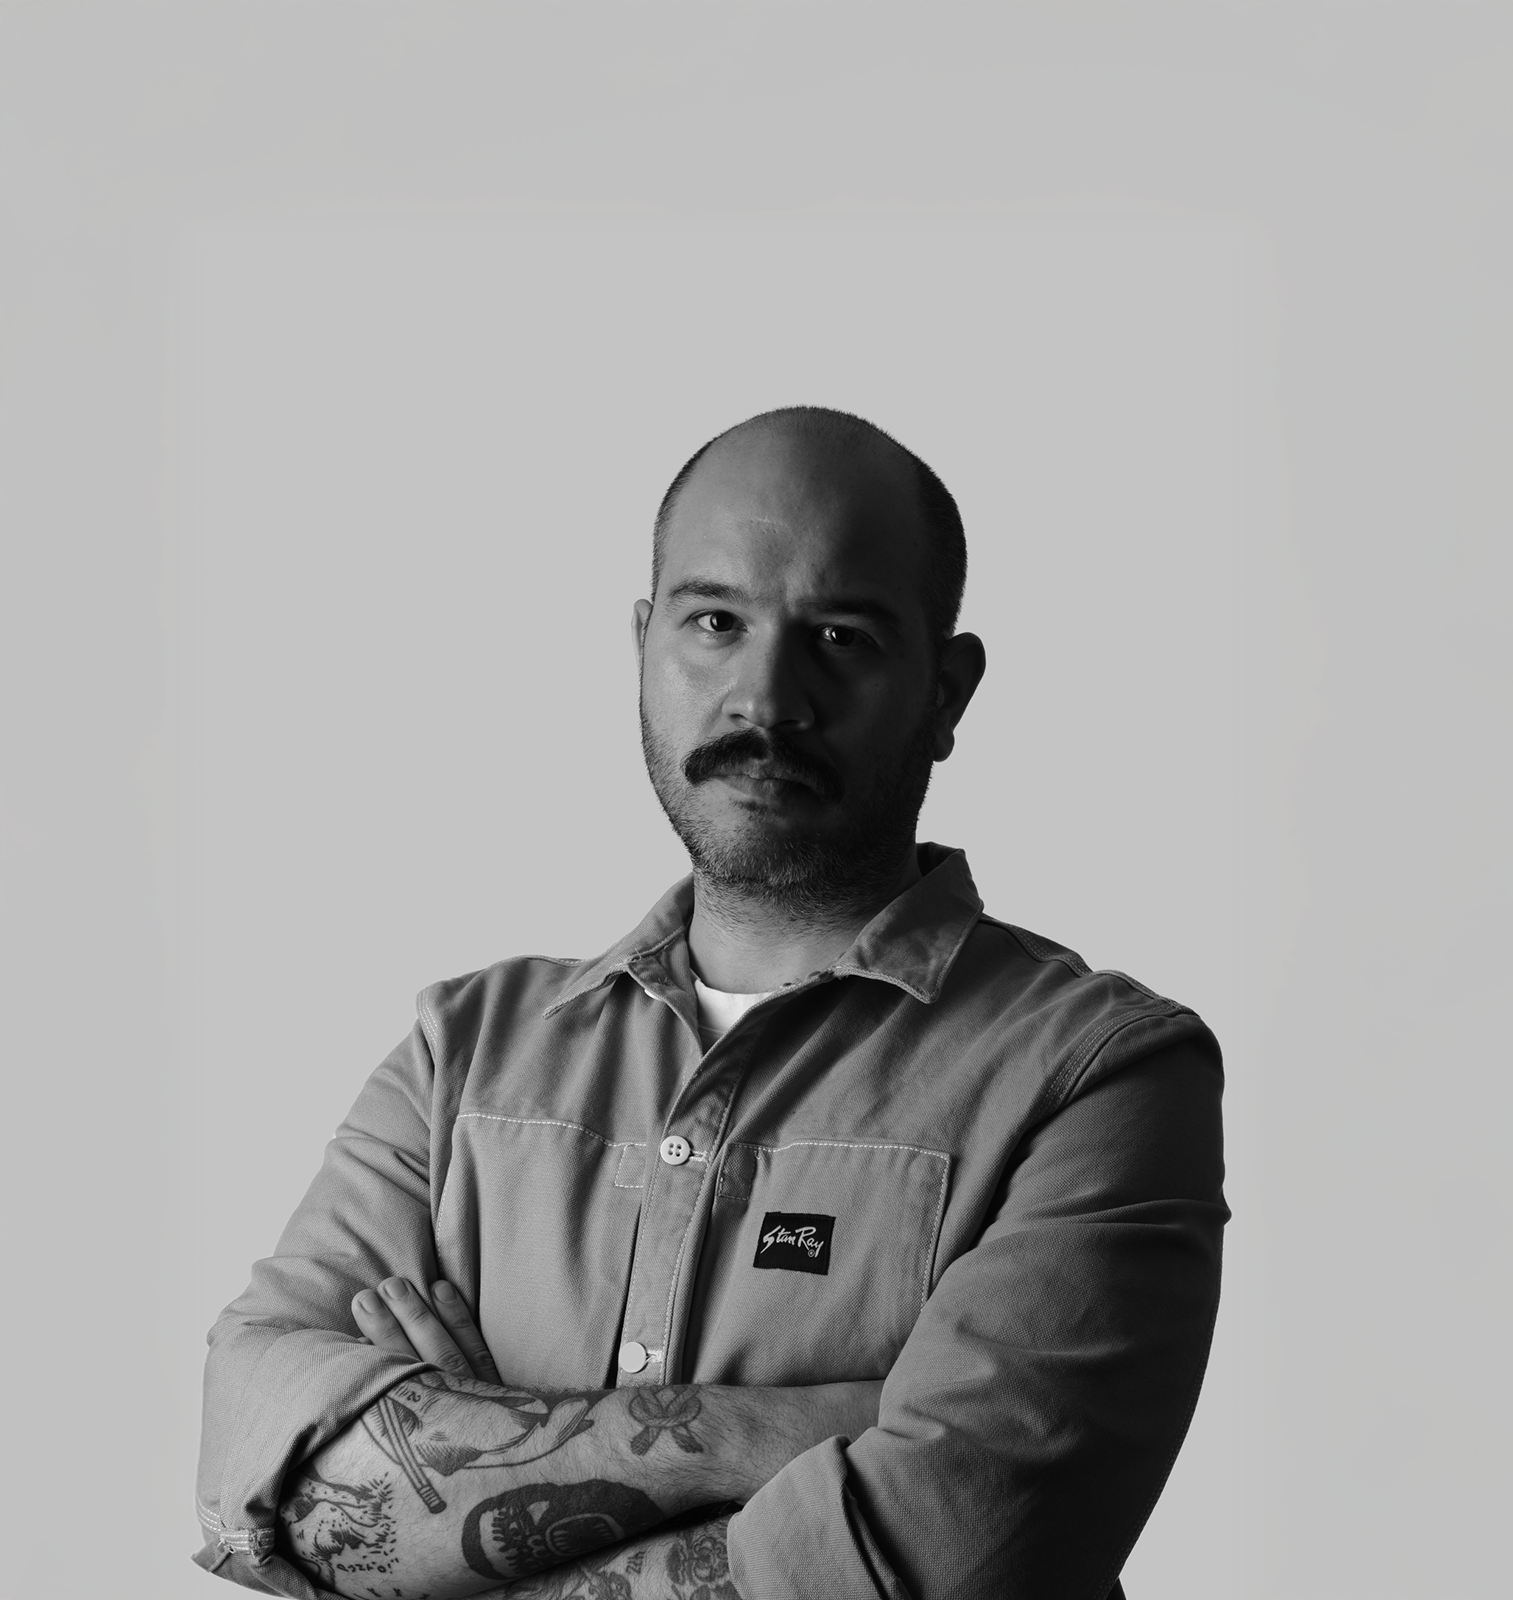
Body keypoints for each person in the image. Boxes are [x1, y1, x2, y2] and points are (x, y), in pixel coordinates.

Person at [193, 406, 1227, 1600]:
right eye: (715, 622)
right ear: (643, 645)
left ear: (946, 692)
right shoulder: (459, 1056)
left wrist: (469, 1480)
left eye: (838, 635)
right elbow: (254, 1482)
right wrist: (764, 1437)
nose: (765, 696)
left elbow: (940, 1563)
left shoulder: (1099, 1073)